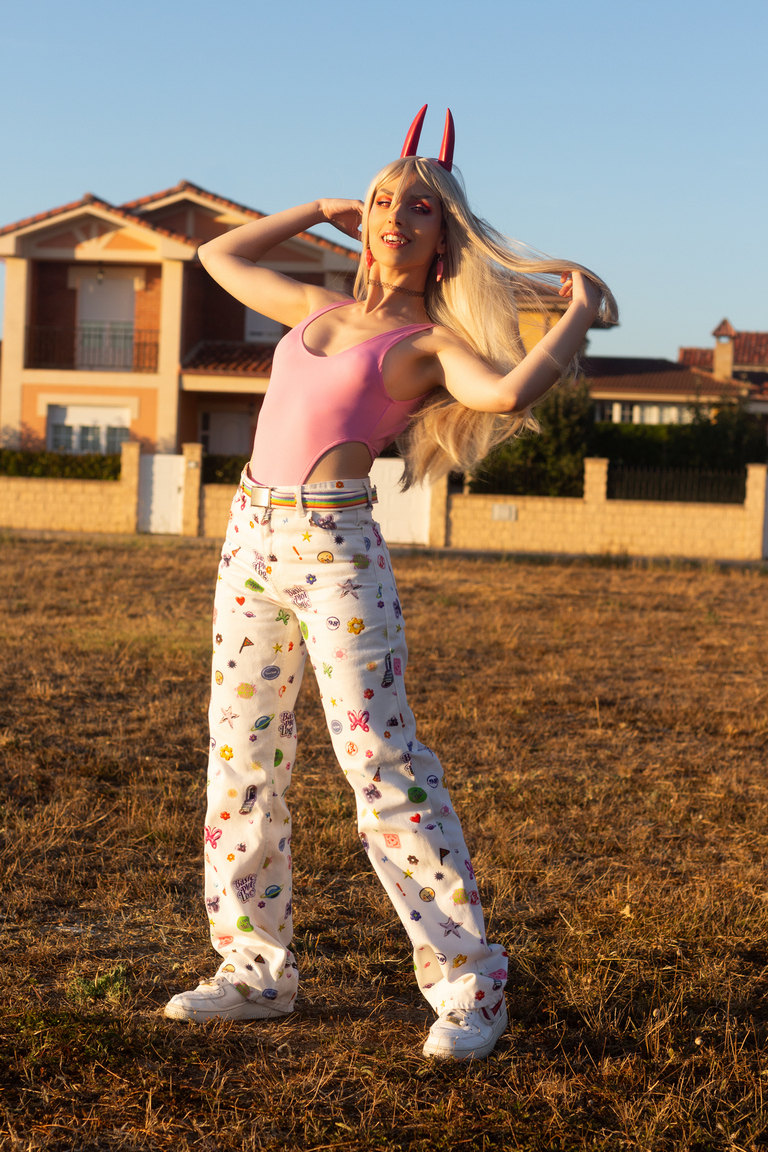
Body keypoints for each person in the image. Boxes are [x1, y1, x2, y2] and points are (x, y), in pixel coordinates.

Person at [164, 106, 618, 1059]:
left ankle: (469, 984)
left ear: (444, 235)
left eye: (417, 208)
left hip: (335, 553)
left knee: (382, 764)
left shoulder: (424, 342)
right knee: (241, 759)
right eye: (380, 202)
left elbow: (503, 393)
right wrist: (322, 205)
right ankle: (253, 970)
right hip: (249, 538)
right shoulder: (319, 312)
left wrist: (575, 316)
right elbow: (218, 258)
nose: (391, 218)